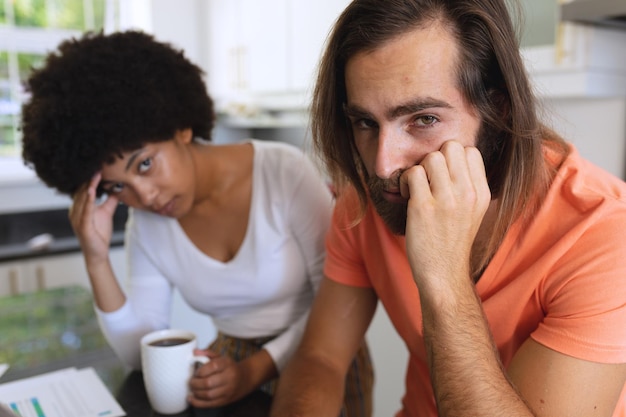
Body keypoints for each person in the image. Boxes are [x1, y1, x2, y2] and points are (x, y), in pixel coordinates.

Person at [269, 0, 626, 416]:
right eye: (365, 122)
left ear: (497, 109)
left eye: (422, 119)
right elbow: (321, 359)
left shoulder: (605, 237)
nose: (385, 164)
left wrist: (444, 280)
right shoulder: (368, 199)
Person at [20, 30, 373, 416]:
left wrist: (255, 370)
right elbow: (142, 354)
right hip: (229, 363)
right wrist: (96, 258)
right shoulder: (146, 226)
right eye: (119, 186)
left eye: (145, 164)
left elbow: (337, 300)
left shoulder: (284, 174)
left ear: (180, 127)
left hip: (322, 356)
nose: (145, 197)